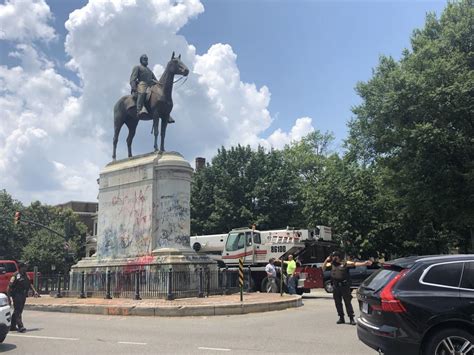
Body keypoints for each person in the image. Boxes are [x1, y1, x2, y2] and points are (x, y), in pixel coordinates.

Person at [322, 251, 372, 325]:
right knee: (338, 303)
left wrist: (364, 263)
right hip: (336, 286)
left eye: (335, 256)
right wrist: (326, 260)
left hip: (344, 286)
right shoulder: (332, 264)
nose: (333, 258)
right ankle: (341, 317)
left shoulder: (344, 263)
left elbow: (354, 263)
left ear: (338, 256)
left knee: (347, 302)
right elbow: (323, 268)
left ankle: (351, 318)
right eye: (332, 256)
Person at [129, 54, 174, 123]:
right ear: (141, 60)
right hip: (142, 84)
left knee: (159, 96)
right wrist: (133, 86)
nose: (146, 60)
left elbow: (156, 80)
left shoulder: (149, 71)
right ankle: (140, 109)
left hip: (151, 86)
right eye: (144, 59)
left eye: (146, 59)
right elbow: (133, 78)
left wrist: (162, 85)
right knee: (142, 92)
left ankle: (166, 114)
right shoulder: (137, 67)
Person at [7, 262, 39, 333]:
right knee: (18, 311)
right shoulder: (15, 275)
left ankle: (12, 326)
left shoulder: (25, 275)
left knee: (18, 310)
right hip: (16, 295)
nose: (26, 268)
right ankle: (20, 326)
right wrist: (9, 298)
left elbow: (30, 284)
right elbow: (9, 287)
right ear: (20, 268)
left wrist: (34, 291)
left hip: (23, 294)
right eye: (24, 267)